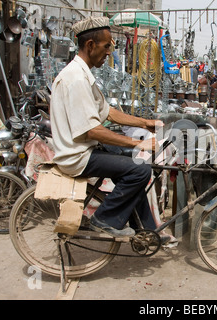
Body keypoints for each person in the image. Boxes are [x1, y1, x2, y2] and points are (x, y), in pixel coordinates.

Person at [50, 17, 165, 240]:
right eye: (106, 46)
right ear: (90, 45)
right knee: (140, 170)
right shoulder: (75, 79)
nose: (109, 52)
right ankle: (103, 220)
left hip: (85, 150)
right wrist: (138, 142)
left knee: (135, 163)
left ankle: (146, 231)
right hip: (77, 157)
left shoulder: (83, 74)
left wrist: (144, 123)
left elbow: (108, 112)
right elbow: (92, 130)